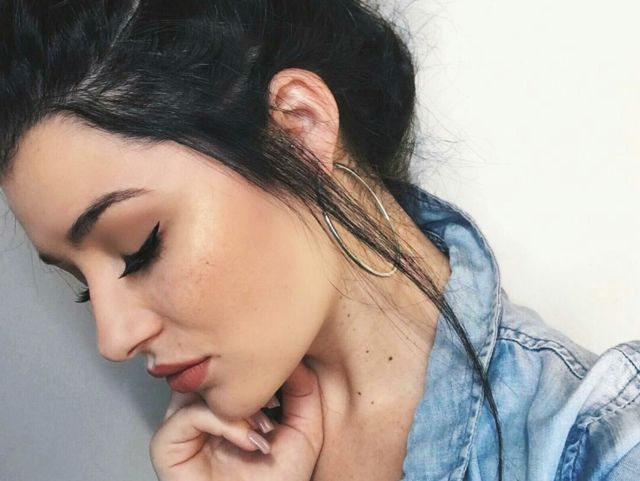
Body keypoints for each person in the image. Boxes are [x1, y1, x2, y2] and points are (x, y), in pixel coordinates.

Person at [1, 1, 639, 480]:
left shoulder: (598, 444)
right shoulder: (223, 455)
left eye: (141, 246)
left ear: (297, 129)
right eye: (83, 288)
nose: (113, 340)